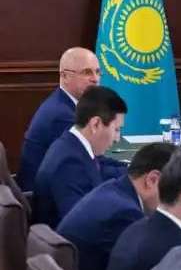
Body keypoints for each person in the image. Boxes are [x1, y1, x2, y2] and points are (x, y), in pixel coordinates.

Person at [56, 142, 176, 270]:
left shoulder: (113, 189)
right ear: (152, 180)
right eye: (176, 190)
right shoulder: (125, 214)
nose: (176, 201)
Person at [17, 47, 120, 189]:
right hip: (46, 201)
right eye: (87, 72)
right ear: (64, 76)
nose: (95, 79)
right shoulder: (62, 116)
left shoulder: (64, 103)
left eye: (97, 72)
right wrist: (132, 173)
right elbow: (92, 165)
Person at [32, 85, 127, 226]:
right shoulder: (68, 163)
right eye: (116, 129)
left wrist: (135, 171)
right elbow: (79, 226)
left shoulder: (72, 145)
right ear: (95, 124)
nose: (117, 138)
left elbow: (101, 165)